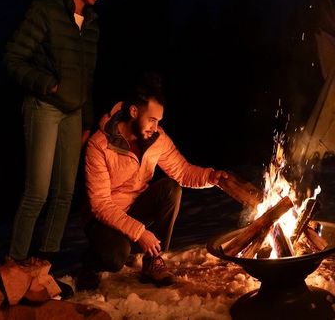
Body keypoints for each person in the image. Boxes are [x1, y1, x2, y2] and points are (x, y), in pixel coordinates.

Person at [4, 0, 108, 264]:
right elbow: (13, 57)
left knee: (64, 192)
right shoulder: (46, 11)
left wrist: (88, 121)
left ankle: (43, 265)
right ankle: (15, 264)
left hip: (74, 114)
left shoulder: (91, 25)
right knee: (38, 190)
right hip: (44, 107)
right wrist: (47, 83)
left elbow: (87, 78)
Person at [76, 74, 229, 290]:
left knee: (170, 189)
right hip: (103, 219)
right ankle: (90, 262)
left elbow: (182, 171)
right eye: (152, 119)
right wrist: (140, 233)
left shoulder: (157, 139)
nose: (155, 127)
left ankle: (152, 263)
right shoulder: (99, 145)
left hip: (134, 209)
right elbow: (99, 204)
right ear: (134, 112)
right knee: (115, 258)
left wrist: (210, 177)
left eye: (158, 121)